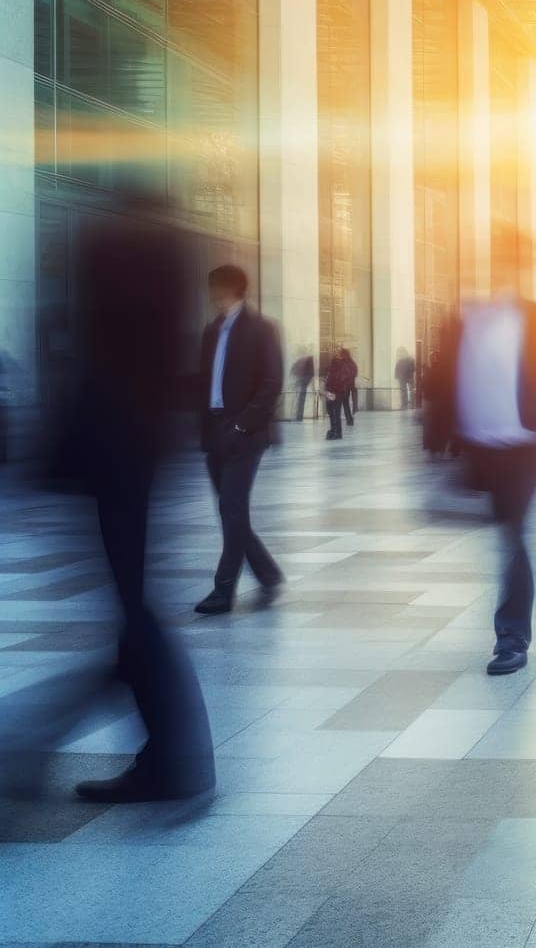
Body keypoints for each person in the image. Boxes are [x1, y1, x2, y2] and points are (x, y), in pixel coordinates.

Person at [53, 216, 216, 802]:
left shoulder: (120, 244)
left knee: (134, 611)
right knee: (133, 610)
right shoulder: (162, 247)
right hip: (135, 449)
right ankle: (171, 758)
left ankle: (175, 761)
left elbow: (102, 359)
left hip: (116, 449)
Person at [434, 280, 536, 675]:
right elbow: (444, 379)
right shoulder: (467, 318)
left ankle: (511, 638)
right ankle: (534, 607)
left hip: (527, 446)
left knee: (512, 533)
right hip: (484, 448)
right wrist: (437, 446)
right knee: (508, 534)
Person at [195, 265, 286, 615]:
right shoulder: (211, 331)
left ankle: (223, 591)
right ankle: (268, 575)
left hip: (245, 434)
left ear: (231, 289)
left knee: (231, 507)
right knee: (232, 513)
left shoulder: (261, 329)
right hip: (215, 432)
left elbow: (271, 382)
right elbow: (205, 382)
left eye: (215, 289)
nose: (212, 296)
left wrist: (241, 427)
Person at [323, 347, 357, 441]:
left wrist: (336, 388)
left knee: (335, 411)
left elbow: (341, 378)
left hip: (337, 391)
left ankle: (337, 432)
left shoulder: (341, 364)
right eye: (336, 352)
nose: (336, 353)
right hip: (334, 390)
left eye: (338, 352)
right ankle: (335, 431)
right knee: (332, 411)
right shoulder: (336, 363)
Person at [290, 350, 315, 421]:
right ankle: (298, 416)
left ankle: (298, 416)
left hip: (302, 379)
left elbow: (294, 368)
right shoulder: (309, 359)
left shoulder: (303, 359)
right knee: (301, 398)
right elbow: (311, 371)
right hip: (305, 379)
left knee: (300, 398)